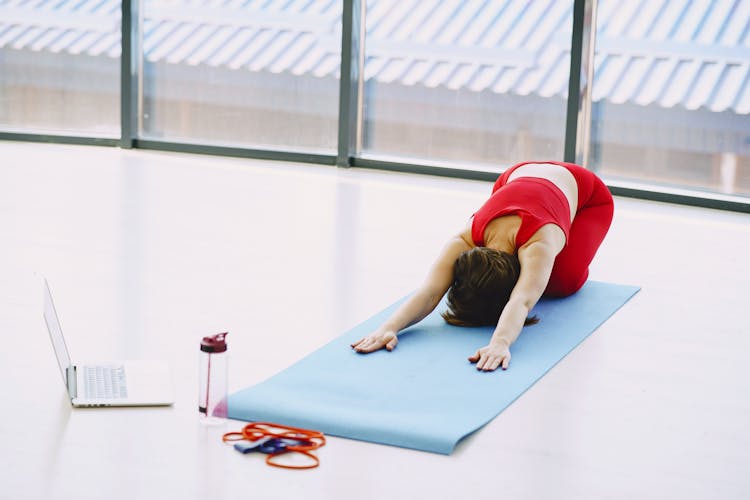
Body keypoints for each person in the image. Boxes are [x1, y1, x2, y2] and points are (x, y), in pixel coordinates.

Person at [351, 161, 614, 372]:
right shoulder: (466, 237)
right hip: (513, 176)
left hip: (587, 193)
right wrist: (388, 327)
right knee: (536, 280)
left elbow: (521, 300)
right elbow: (430, 291)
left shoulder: (539, 244)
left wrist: (500, 343)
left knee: (559, 282)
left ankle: (547, 269)